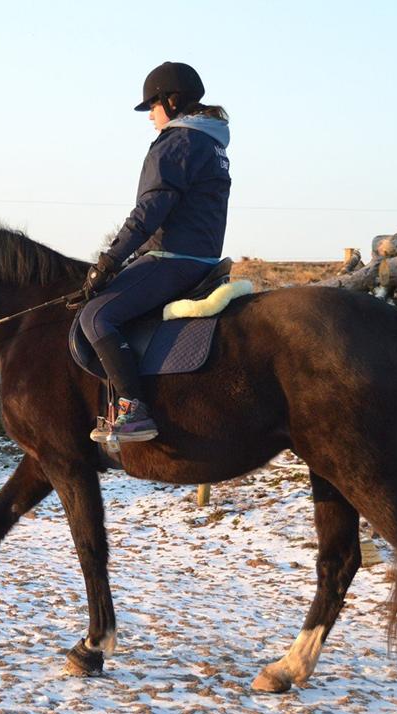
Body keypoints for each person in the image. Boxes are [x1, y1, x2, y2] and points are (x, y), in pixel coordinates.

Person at [79, 61, 231, 443]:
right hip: (205, 258)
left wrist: (110, 260)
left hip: (172, 257)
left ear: (172, 101)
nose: (150, 115)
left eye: (152, 106)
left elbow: (150, 210)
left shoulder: (177, 142)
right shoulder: (211, 143)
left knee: (96, 317)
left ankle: (133, 408)